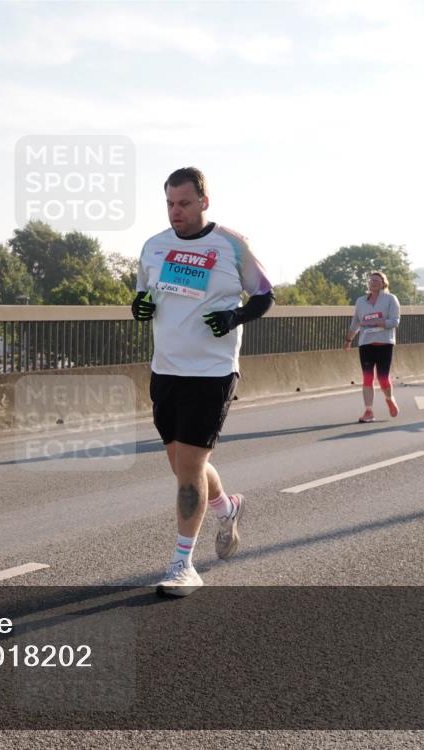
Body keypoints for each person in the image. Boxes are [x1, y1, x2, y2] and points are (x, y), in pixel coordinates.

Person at [133, 167, 275, 597]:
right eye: (170, 204)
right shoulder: (154, 247)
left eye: (184, 204)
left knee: (190, 468)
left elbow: (265, 295)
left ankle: (182, 564)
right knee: (182, 467)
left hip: (211, 372)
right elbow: (145, 295)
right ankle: (227, 507)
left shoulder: (231, 245)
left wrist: (234, 316)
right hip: (165, 369)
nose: (176, 212)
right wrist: (138, 306)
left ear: (203, 202)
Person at [343, 271, 401, 423]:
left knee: (383, 378)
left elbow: (395, 321)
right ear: (368, 283)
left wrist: (381, 323)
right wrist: (349, 339)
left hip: (384, 343)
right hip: (366, 344)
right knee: (367, 378)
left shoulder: (390, 299)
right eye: (371, 280)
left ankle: (389, 398)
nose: (374, 282)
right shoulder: (361, 301)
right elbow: (356, 321)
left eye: (377, 280)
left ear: (383, 283)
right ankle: (369, 411)